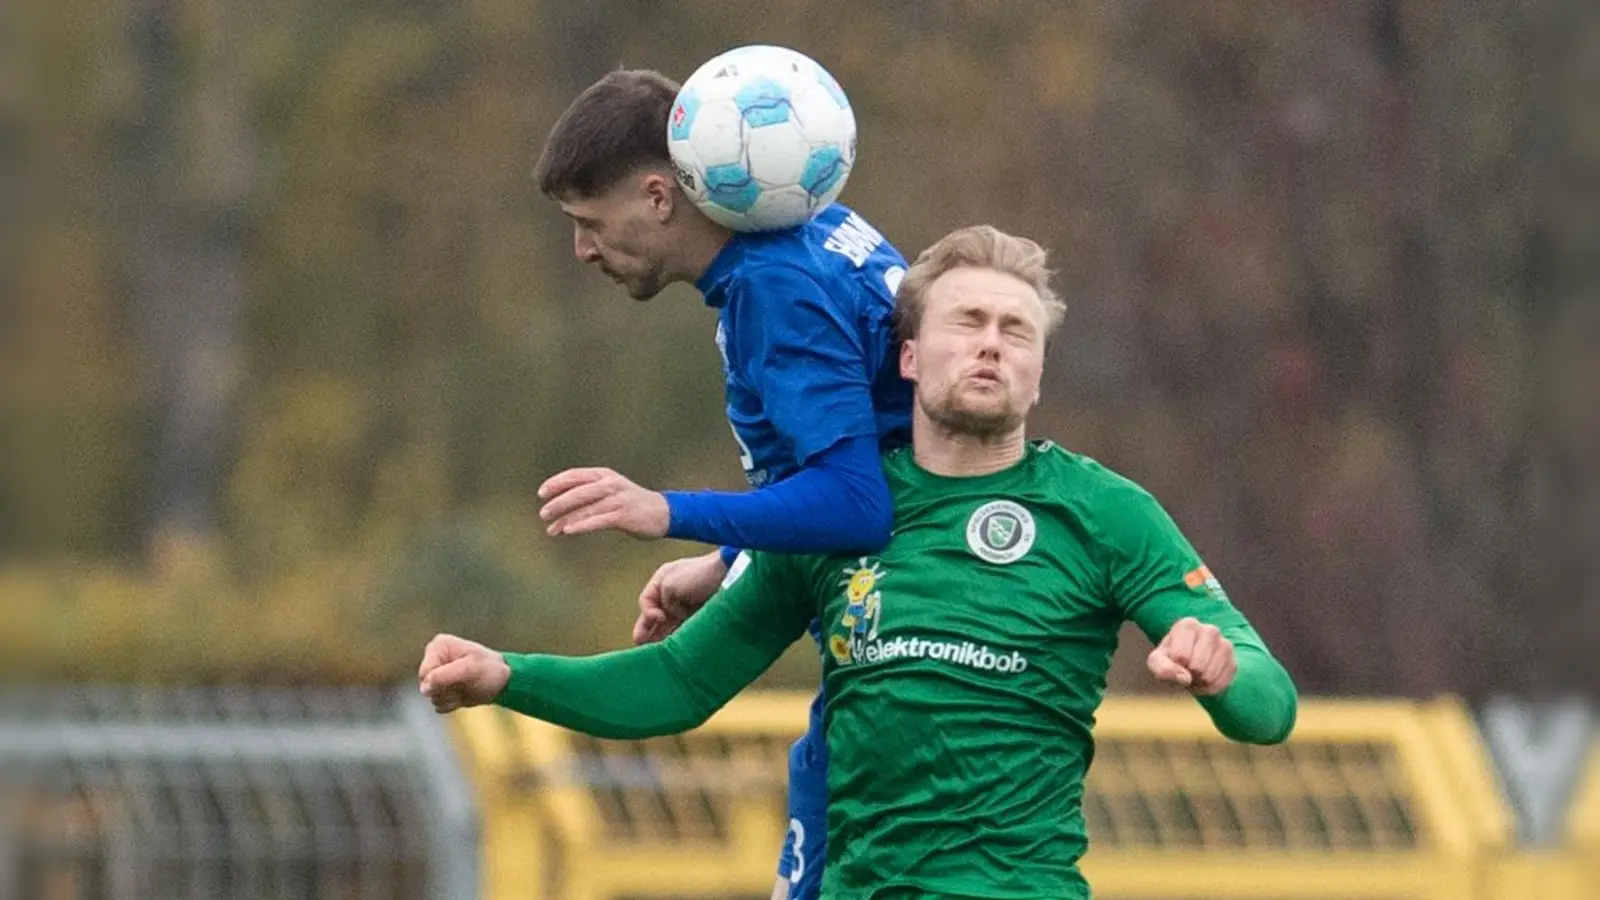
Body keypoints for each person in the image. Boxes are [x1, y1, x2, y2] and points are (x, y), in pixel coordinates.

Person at [419, 225, 1299, 899]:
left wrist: (1223, 673)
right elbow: (680, 682)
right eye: (968, 322)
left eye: (1016, 332)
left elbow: (1270, 708)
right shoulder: (839, 517)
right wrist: (507, 677)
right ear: (909, 357)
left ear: (1038, 375)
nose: (992, 343)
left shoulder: (1106, 514)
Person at [526, 69, 912, 899]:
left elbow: (859, 502)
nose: (583, 250)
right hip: (899, 632)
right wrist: (730, 562)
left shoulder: (774, 289)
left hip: (900, 660)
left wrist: (668, 512)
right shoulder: (813, 227)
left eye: (590, 222)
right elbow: (884, 451)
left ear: (660, 196)